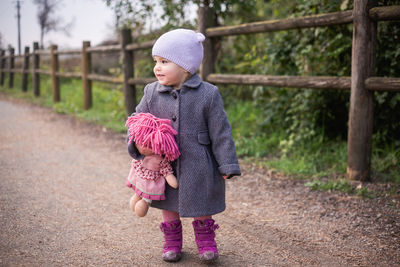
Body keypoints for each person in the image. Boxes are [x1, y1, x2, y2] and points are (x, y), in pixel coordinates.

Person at [127, 28, 241, 262]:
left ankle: (206, 241)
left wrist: (227, 163)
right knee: (169, 203)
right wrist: (138, 146)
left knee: (201, 203)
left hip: (199, 161)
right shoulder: (151, 92)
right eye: (156, 61)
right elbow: (136, 123)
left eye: (164, 61)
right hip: (165, 164)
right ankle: (172, 242)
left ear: (185, 65)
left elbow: (221, 132)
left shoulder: (208, 94)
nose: (156, 67)